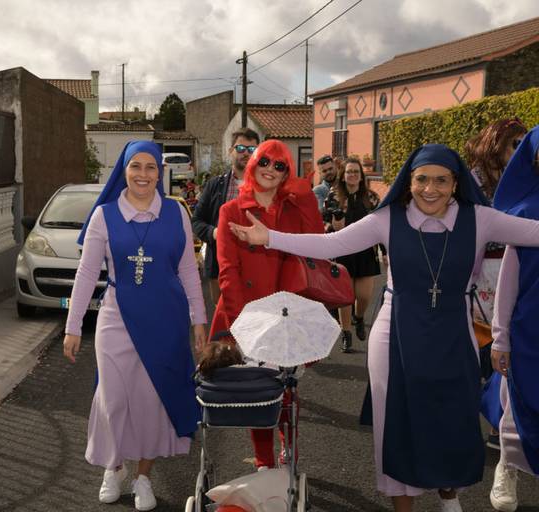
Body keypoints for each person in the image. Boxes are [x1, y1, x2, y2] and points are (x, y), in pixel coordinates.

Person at [228, 143, 539, 512]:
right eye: (422, 179)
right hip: (395, 336)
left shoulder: (480, 219)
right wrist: (269, 237)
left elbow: (534, 232)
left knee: (452, 419)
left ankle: (449, 498)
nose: (430, 189)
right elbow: (331, 243)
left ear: (455, 183)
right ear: (409, 182)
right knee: (396, 425)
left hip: (455, 335)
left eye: (441, 180)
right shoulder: (388, 219)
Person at [63, 141, 208, 511]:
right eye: (135, 166)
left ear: (160, 172)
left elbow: (188, 270)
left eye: (150, 167)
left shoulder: (176, 212)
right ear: (124, 171)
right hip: (116, 317)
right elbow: (86, 274)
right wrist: (73, 325)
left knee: (150, 400)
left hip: (166, 318)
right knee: (112, 398)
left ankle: (144, 476)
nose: (143, 174)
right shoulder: (105, 215)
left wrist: (199, 319)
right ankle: (113, 467)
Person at [211, 139, 322, 470]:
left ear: (287, 172)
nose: (270, 170)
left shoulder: (294, 208)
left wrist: (304, 194)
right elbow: (228, 271)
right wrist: (243, 324)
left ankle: (288, 446)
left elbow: (318, 244)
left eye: (280, 165)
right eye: (264, 161)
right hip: (247, 313)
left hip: (289, 314)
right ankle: (263, 461)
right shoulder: (231, 211)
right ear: (252, 164)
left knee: (286, 391)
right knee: (256, 391)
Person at [465, 118, 527, 450]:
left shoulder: (525, 176)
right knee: (480, 345)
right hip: (480, 272)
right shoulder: (472, 181)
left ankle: (497, 422)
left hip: (515, 266)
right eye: (516, 143)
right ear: (496, 143)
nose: (521, 149)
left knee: (507, 345)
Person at [486, 126, 539, 512]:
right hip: (529, 330)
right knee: (516, 402)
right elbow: (509, 281)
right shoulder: (526, 210)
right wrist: (501, 337)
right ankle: (507, 465)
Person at [192, 128, 260, 305]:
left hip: (258, 266)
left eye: (251, 149)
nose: (246, 153)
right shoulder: (215, 185)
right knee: (223, 314)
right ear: (230, 151)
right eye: (240, 148)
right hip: (219, 265)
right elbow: (196, 221)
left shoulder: (266, 186)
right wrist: (215, 233)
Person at [322, 157, 381, 352]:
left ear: (361, 176)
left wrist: (384, 251)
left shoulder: (371, 198)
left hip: (365, 252)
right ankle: (346, 333)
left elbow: (380, 226)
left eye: (356, 172)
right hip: (343, 250)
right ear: (343, 175)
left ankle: (359, 316)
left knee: (363, 296)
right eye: (349, 172)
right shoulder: (333, 196)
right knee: (345, 296)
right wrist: (334, 223)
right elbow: (326, 223)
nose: (353, 175)